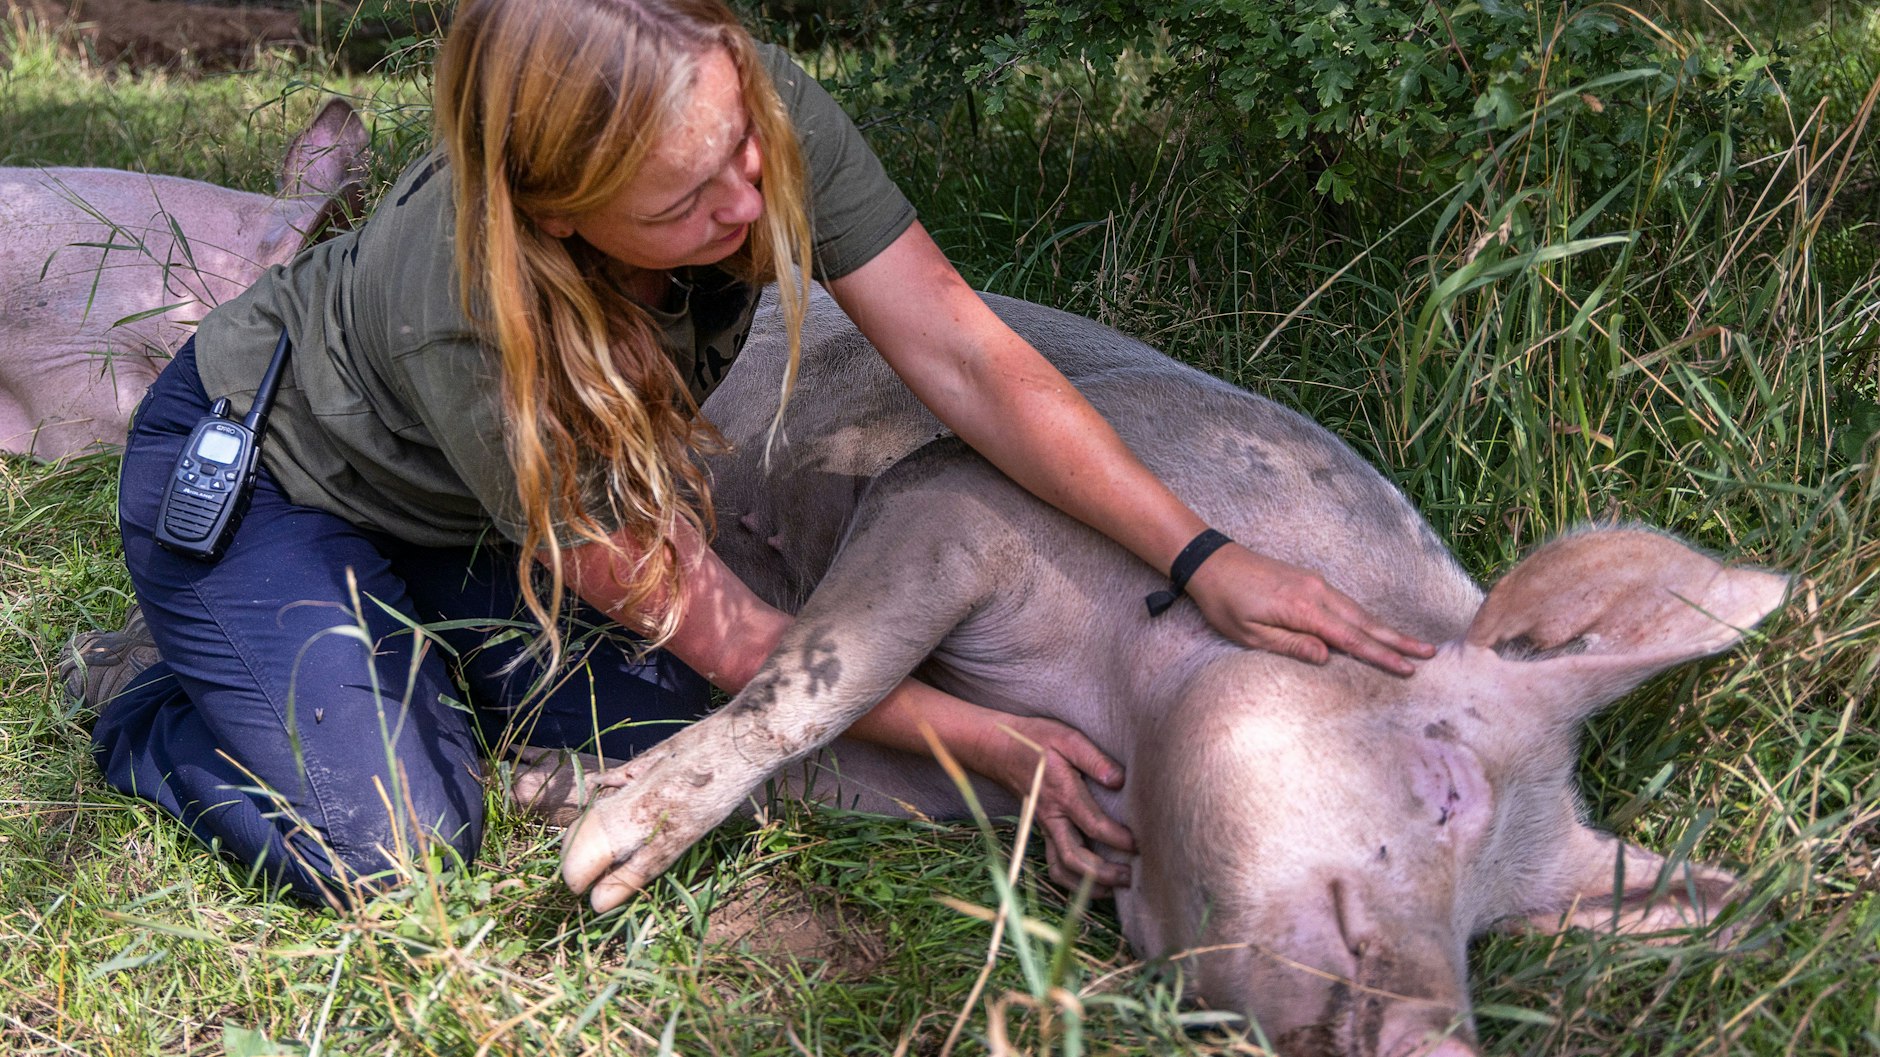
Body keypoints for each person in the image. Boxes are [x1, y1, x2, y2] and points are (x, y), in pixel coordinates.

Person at [73, 0, 1432, 908]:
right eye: (687, 199)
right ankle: (151, 693)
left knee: (646, 732)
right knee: (400, 851)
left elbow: (967, 357)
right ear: (558, 209)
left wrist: (1202, 552)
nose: (750, 203)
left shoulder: (740, 111)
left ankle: (387, 642)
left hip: (471, 510)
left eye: (744, 152)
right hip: (271, 469)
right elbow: (719, 624)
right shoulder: (474, 315)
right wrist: (984, 741)